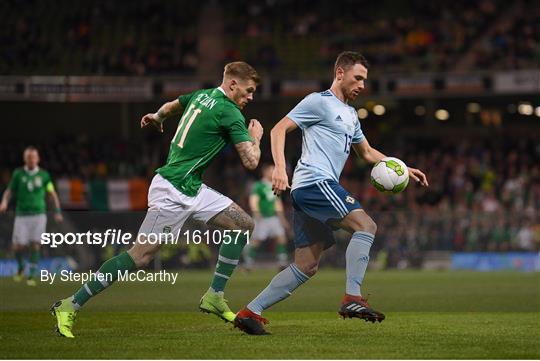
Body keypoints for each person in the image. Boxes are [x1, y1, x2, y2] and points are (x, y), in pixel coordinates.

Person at [51, 61, 264, 338]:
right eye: (248, 91)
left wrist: (157, 117)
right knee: (139, 257)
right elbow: (250, 161)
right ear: (232, 84)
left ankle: (214, 296)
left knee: (243, 225)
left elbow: (171, 105)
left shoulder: (200, 95)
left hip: (193, 188)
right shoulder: (230, 113)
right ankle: (69, 305)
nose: (250, 98)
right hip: (171, 192)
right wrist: (256, 137)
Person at [234, 51, 429, 335]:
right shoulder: (319, 102)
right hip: (315, 182)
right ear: (340, 73)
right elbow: (278, 130)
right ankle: (352, 297)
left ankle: (250, 312)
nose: (362, 85)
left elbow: (367, 152)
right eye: (357, 78)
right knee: (366, 225)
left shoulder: (351, 115)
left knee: (307, 265)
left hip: (310, 190)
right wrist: (279, 169)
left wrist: (402, 168)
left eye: (365, 79)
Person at [0, 146, 63, 286]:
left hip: (39, 214)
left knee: (36, 244)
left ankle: (32, 275)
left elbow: (52, 194)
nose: (31, 159)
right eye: (29, 157)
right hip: (22, 215)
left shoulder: (44, 176)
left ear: (38, 159)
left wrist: (57, 211)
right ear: (25, 159)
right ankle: (21, 267)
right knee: (18, 246)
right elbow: (9, 190)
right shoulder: (18, 174)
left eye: (34, 157)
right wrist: (4, 202)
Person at [244, 164, 290, 270]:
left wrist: (282, 219)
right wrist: (256, 213)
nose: (274, 173)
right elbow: (254, 200)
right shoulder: (259, 185)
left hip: (273, 217)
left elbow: (277, 203)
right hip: (262, 217)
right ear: (265, 172)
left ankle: (282, 262)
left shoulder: (275, 185)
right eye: (271, 171)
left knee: (281, 238)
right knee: (257, 241)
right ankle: (248, 263)